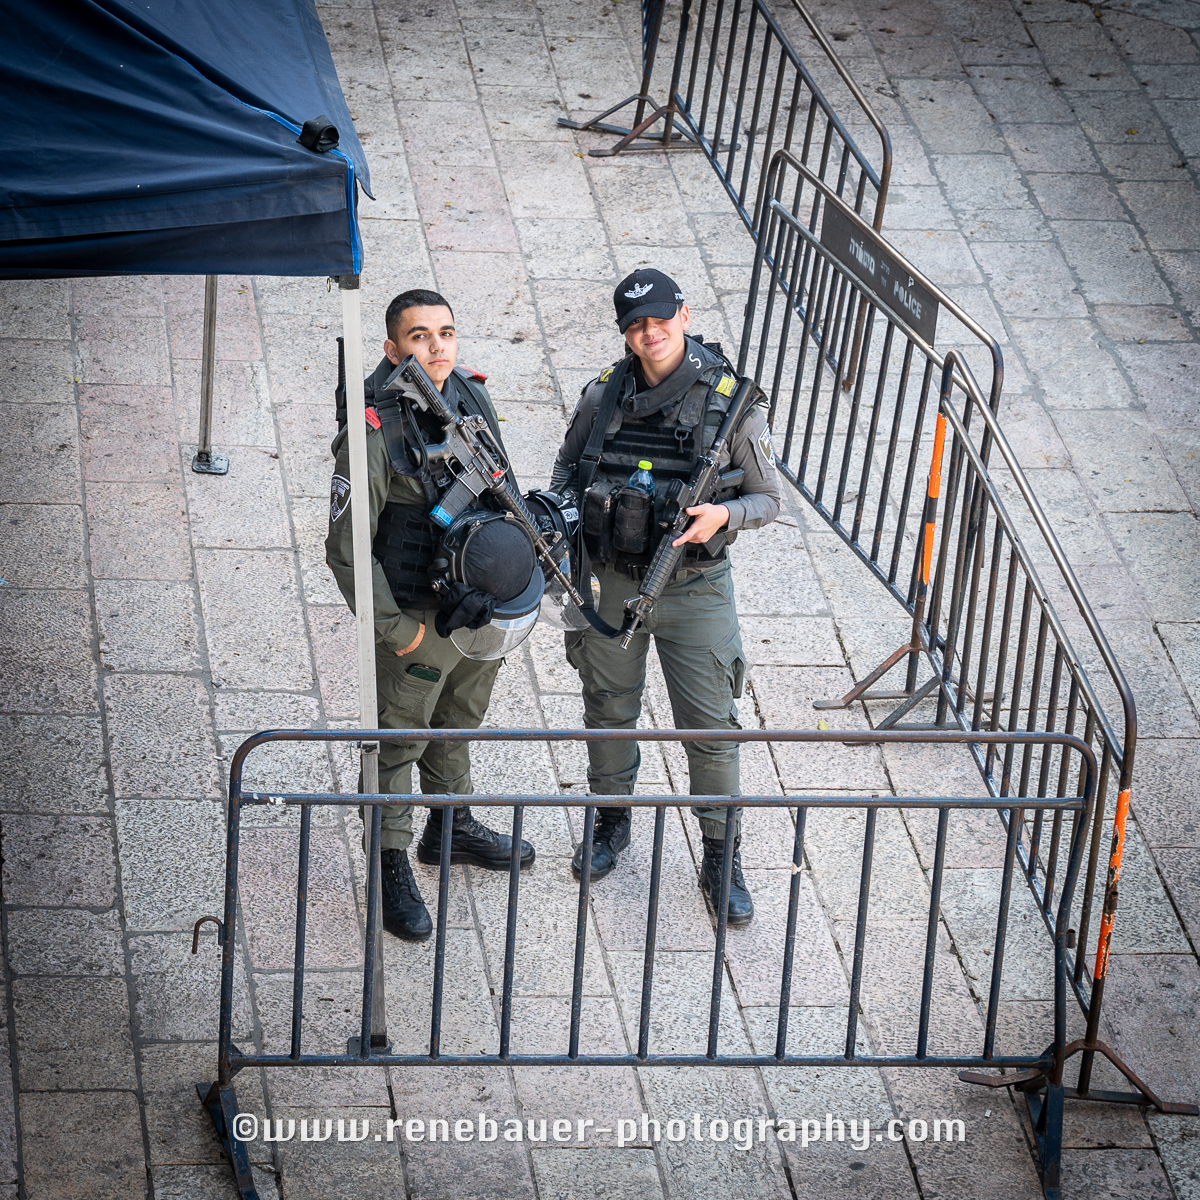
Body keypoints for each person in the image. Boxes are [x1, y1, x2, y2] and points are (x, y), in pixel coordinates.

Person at [549, 268, 780, 924]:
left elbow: (768, 499)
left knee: (710, 726)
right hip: (610, 580)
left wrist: (723, 516)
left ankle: (721, 852)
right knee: (607, 708)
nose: (650, 334)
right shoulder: (604, 395)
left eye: (659, 320)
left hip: (693, 586)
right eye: (636, 325)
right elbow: (567, 470)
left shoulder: (730, 403)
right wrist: (567, 519)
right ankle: (610, 820)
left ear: (684, 315)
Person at [325, 288, 535, 942]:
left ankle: (451, 825)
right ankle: (389, 861)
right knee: (398, 740)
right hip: (416, 616)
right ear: (393, 350)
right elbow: (347, 549)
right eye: (419, 336)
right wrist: (396, 632)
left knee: (459, 717)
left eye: (445, 332)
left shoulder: (469, 392)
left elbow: (500, 487)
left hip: (475, 606)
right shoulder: (373, 432)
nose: (437, 346)